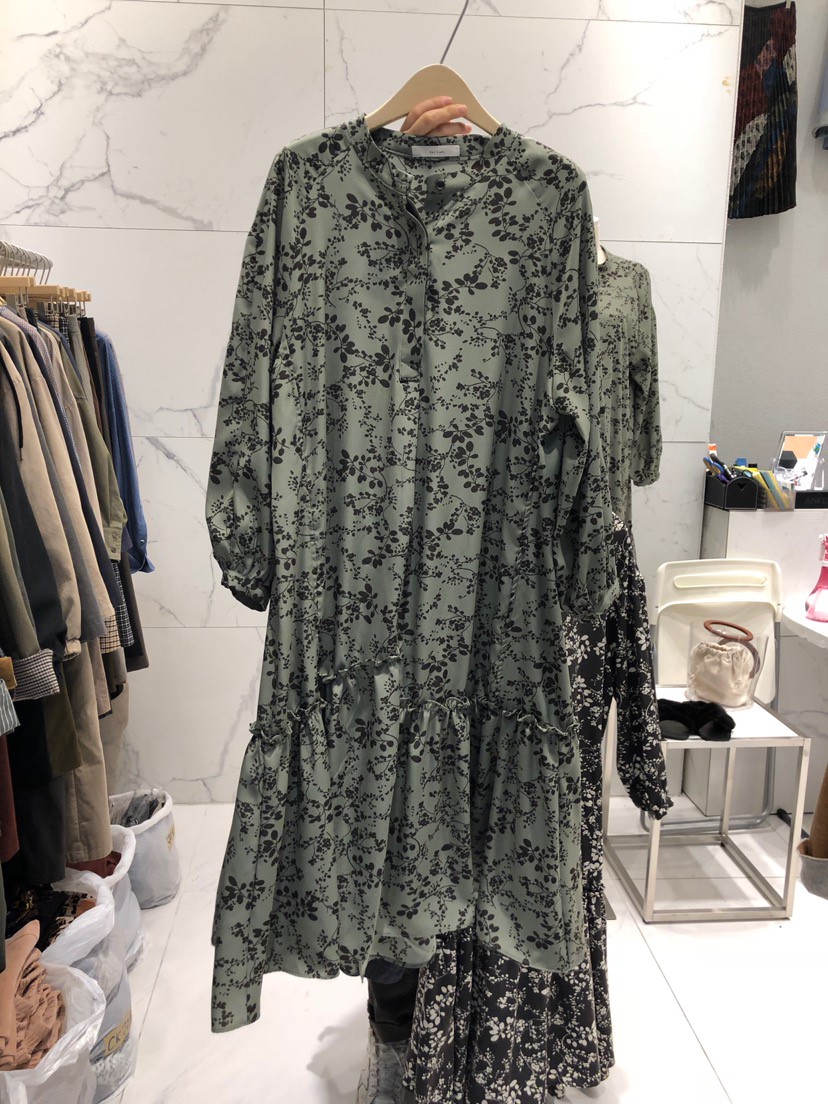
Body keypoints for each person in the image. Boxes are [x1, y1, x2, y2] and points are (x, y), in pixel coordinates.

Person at [355, 94, 474, 1104]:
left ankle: (458, 1035)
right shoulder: (323, 214)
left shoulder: (541, 223)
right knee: (387, 833)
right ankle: (395, 1029)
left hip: (490, 604)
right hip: (368, 596)